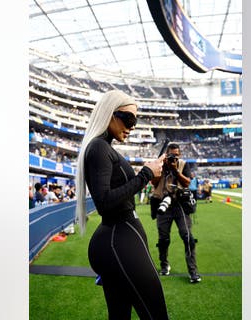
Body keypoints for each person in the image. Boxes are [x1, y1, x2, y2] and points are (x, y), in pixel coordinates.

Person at [75, 90, 168, 319]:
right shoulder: (99, 148)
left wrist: (148, 175)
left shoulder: (103, 148)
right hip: (119, 239)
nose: (132, 126)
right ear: (110, 113)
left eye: (135, 121)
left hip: (119, 239)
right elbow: (104, 202)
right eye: (129, 119)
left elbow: (117, 193)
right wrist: (145, 174)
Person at [150, 144, 201, 283]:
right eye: (171, 155)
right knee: (163, 239)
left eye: (176, 155)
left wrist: (175, 170)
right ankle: (164, 265)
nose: (174, 158)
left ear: (179, 155)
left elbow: (187, 183)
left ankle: (193, 271)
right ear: (166, 155)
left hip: (180, 205)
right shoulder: (160, 164)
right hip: (162, 205)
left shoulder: (183, 164)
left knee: (188, 237)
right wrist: (160, 167)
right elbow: (154, 183)